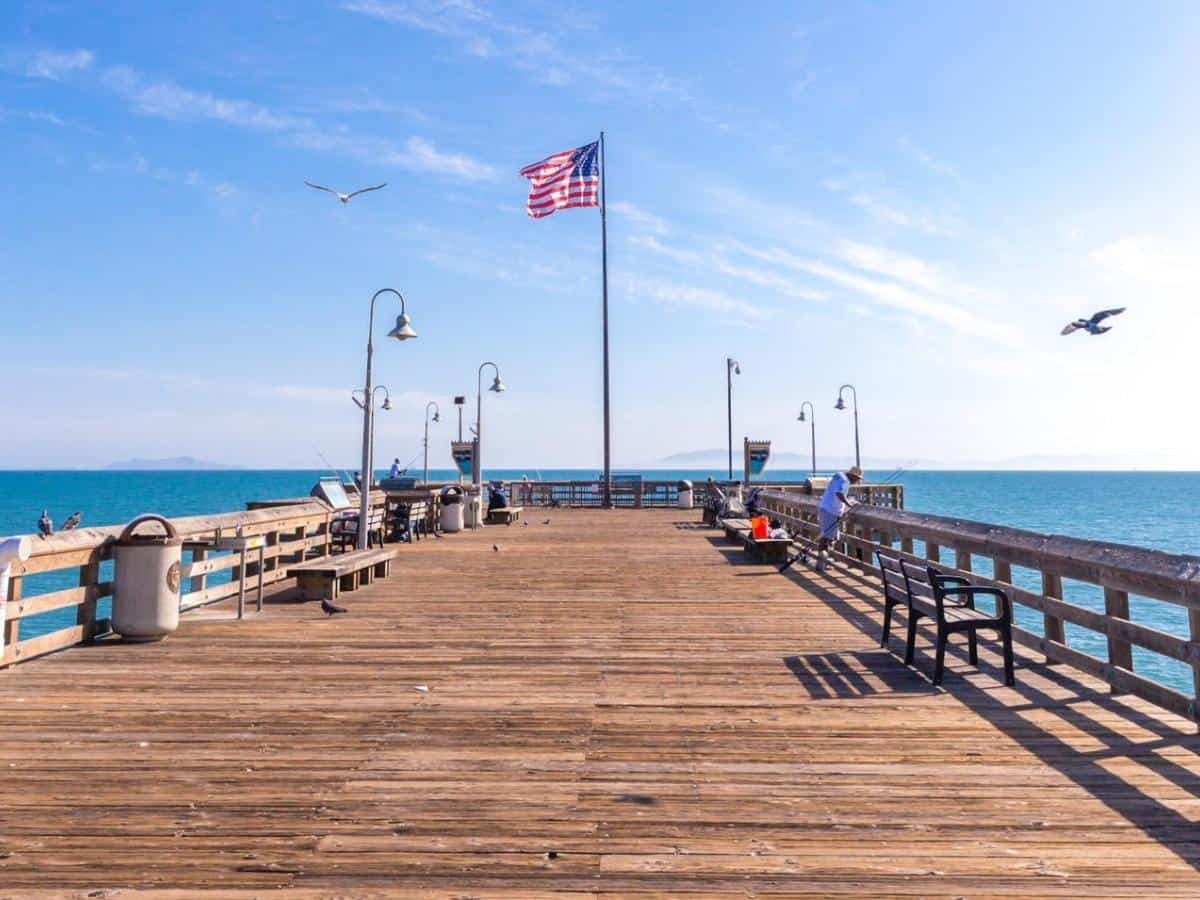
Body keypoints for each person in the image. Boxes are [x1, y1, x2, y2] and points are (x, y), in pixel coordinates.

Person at [815, 465, 863, 571]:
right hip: (831, 511)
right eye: (857, 479)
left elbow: (834, 492)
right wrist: (848, 504)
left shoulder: (838, 475)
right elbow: (839, 494)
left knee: (830, 537)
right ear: (853, 476)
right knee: (827, 538)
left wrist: (847, 502)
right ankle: (821, 563)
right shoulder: (845, 481)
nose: (857, 481)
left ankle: (823, 561)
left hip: (825, 508)